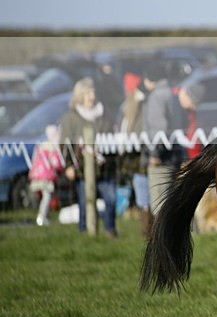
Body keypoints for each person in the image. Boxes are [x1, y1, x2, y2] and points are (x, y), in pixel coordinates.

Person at [60, 77, 118, 238]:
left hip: (104, 168)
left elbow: (112, 139)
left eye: (93, 92)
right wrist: (68, 166)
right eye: (88, 93)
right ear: (80, 95)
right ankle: (85, 233)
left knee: (111, 199)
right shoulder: (70, 118)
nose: (92, 96)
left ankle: (110, 230)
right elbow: (64, 144)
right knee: (85, 202)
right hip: (82, 168)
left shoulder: (104, 114)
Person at [141, 63, 187, 215]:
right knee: (171, 203)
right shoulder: (171, 94)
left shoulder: (156, 97)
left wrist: (155, 153)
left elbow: (158, 129)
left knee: (159, 205)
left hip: (161, 158)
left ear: (150, 79)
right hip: (174, 154)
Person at [119, 73, 152, 237]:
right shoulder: (136, 99)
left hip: (140, 147)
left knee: (142, 185)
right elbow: (128, 123)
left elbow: (129, 123)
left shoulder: (135, 100)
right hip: (138, 148)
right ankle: (146, 222)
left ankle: (147, 222)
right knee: (142, 184)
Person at [28, 124, 64, 226]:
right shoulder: (53, 147)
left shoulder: (41, 146)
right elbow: (56, 162)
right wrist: (61, 169)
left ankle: (45, 216)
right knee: (47, 196)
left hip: (37, 175)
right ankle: (41, 216)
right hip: (47, 176)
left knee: (44, 196)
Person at [177, 82, 205, 160]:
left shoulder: (189, 111)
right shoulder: (172, 100)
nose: (193, 108)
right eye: (193, 103)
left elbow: (192, 133)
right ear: (186, 94)